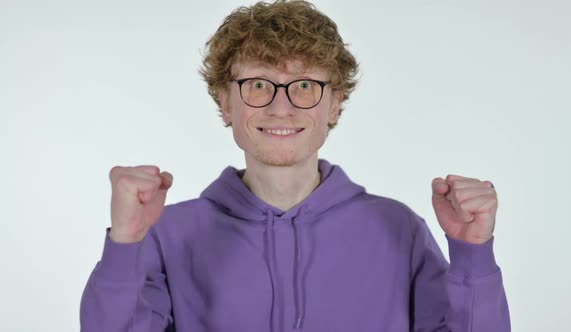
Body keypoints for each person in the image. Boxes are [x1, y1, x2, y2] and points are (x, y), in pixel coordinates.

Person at [80, 0, 511, 331]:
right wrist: (124, 244)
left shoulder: (398, 229)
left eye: (304, 85)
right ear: (225, 102)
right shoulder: (166, 234)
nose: (280, 107)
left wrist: (473, 254)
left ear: (335, 104)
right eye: (258, 85)